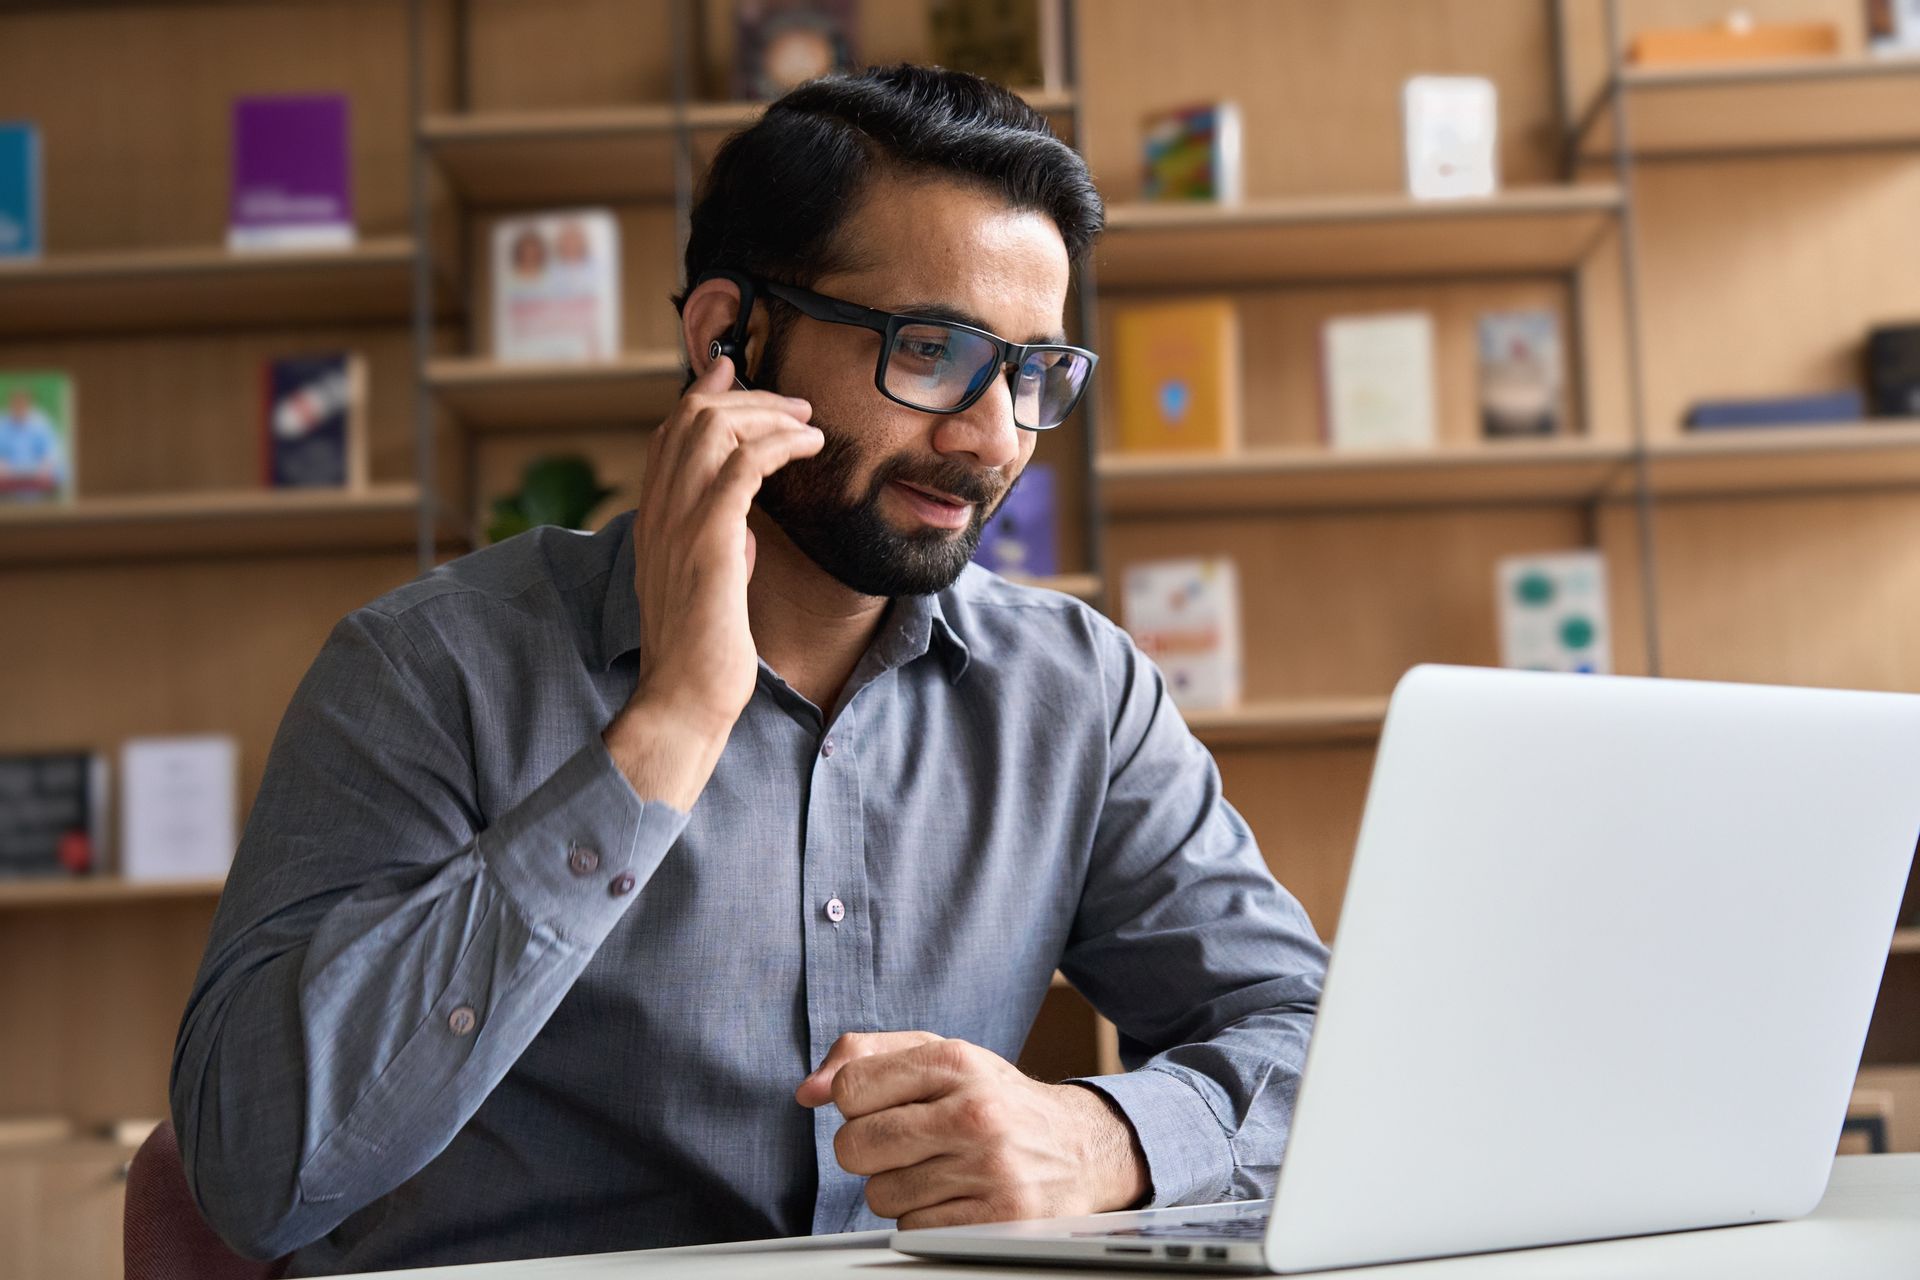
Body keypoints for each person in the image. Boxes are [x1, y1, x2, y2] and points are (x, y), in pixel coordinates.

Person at [171, 64, 1329, 1275]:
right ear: (729, 334)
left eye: (1035, 373)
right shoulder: (428, 667)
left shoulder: (1076, 693)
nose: (993, 436)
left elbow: (1316, 1045)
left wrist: (1103, 1137)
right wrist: (666, 726)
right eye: (931, 349)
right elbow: (253, 1169)